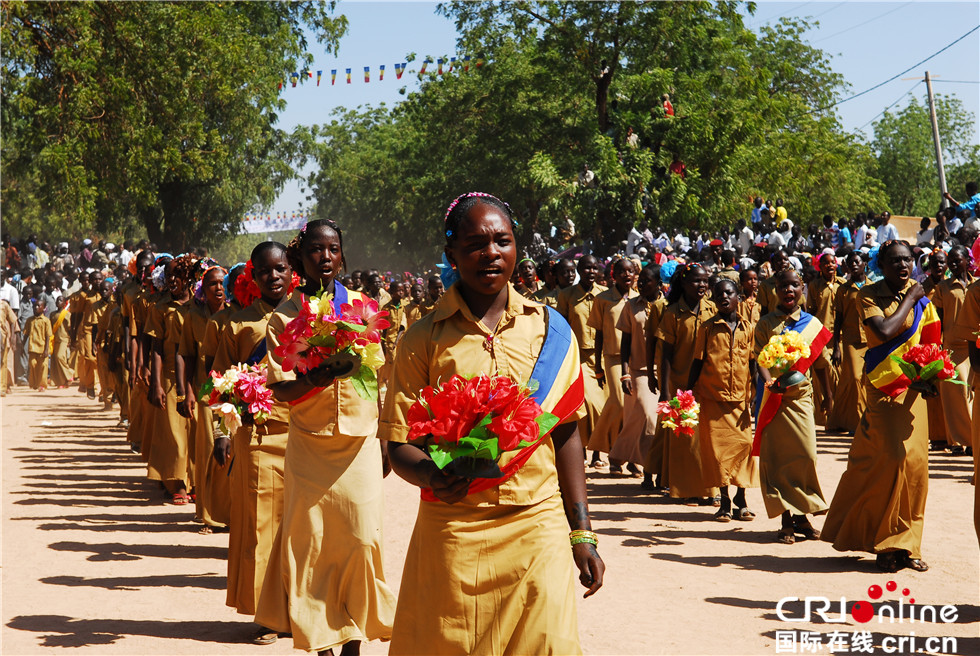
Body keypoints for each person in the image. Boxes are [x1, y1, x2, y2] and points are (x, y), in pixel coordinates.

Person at [380, 192, 604, 654]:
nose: (491, 253)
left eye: (502, 240)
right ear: (451, 254)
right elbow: (399, 443)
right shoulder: (422, 339)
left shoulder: (551, 331)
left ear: (517, 247)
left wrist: (581, 532)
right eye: (475, 243)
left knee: (548, 642)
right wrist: (430, 475)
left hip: (536, 521)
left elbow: (565, 434)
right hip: (454, 524)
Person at [255, 219, 396, 656]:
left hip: (360, 444)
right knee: (311, 544)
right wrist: (315, 377)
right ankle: (322, 644)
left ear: (343, 253)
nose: (326, 257)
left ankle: (353, 639)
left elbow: (383, 377)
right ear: (302, 257)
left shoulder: (364, 307)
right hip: (310, 444)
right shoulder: (283, 317)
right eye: (316, 249)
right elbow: (280, 389)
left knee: (360, 539)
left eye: (333, 248)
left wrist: (389, 437)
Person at [822, 241, 937, 572]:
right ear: (882, 265)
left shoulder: (923, 299)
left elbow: (930, 341)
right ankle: (883, 541)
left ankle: (908, 543)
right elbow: (884, 331)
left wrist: (932, 377)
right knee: (890, 461)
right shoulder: (869, 295)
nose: (903, 266)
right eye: (895, 261)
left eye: (908, 260)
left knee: (915, 467)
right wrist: (913, 298)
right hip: (884, 387)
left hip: (915, 391)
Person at [211, 243, 293, 643]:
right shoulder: (236, 323)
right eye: (265, 271)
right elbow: (220, 381)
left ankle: (303, 607)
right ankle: (269, 614)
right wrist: (222, 432)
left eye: (280, 269)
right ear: (253, 276)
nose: (273, 277)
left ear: (291, 271)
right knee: (262, 523)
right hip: (257, 432)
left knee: (302, 524)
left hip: (305, 432)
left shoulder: (307, 316)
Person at [753, 269, 832, 544]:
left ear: (802, 289)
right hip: (774, 396)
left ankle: (803, 514)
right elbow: (761, 360)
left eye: (795, 285)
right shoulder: (765, 324)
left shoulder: (812, 324)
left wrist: (828, 395)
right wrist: (769, 383)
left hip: (801, 397)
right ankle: (787, 519)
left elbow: (821, 363)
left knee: (806, 455)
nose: (789, 290)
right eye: (783, 285)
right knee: (777, 458)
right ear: (775, 289)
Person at [687, 279, 758, 521]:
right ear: (713, 299)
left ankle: (742, 498)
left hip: (740, 399)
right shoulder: (707, 328)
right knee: (718, 453)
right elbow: (697, 362)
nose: (724, 298)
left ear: (738, 296)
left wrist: (757, 391)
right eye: (719, 295)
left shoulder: (748, 328)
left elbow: (753, 362)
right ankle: (725, 501)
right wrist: (687, 392)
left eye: (729, 293)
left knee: (743, 448)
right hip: (712, 398)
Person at [655, 263, 716, 503]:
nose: (701, 285)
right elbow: (666, 356)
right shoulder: (672, 314)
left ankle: (710, 490)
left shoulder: (713, 309)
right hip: (681, 385)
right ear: (683, 283)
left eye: (704, 281)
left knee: (707, 440)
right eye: (696, 281)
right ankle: (687, 489)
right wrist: (665, 389)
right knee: (686, 439)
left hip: (708, 382)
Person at [177, 262, 230, 533]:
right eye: (212, 284)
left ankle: (229, 512)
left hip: (233, 395)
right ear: (203, 289)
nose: (218, 288)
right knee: (208, 451)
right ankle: (208, 515)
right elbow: (184, 353)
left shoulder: (236, 314)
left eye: (222, 283)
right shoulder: (193, 316)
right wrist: (185, 392)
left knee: (231, 453)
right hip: (205, 395)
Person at [145, 255, 195, 505]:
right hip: (169, 377)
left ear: (189, 277)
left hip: (195, 377)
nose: (173, 279)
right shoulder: (160, 308)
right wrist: (155, 383)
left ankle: (195, 481)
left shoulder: (199, 306)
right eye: (169, 275)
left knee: (194, 432)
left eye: (179, 274)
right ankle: (178, 484)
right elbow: (155, 347)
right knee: (174, 433)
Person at [613, 264, 664, 486]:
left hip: (663, 370)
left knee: (661, 423)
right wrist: (625, 373)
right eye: (639, 280)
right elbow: (625, 342)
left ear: (658, 284)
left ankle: (654, 474)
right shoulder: (631, 306)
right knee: (648, 415)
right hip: (639, 371)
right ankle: (648, 469)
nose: (640, 284)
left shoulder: (667, 306)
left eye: (646, 280)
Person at [557, 255, 608, 468]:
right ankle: (582, 451)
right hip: (578, 356)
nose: (591, 272)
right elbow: (561, 326)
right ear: (579, 270)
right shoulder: (567, 295)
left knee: (605, 406)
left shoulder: (604, 295)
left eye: (594, 268)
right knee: (587, 403)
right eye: (586, 268)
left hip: (603, 356)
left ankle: (597, 454)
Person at [588, 258, 637, 474]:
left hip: (637, 359)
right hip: (613, 358)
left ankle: (632, 457)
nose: (627, 275)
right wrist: (598, 365)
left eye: (631, 271)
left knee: (635, 410)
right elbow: (598, 334)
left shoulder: (639, 298)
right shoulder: (603, 300)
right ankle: (612, 453)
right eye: (622, 272)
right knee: (619, 403)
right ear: (613, 276)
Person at [930, 245, 975, 454]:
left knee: (972, 394)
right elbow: (936, 317)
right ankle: (958, 441)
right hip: (953, 346)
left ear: (968, 260)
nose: (954, 264)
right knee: (955, 390)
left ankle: (974, 440)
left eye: (959, 260)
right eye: (952, 261)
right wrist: (936, 345)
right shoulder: (943, 288)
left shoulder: (976, 285)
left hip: (975, 345)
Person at [830, 251, 868, 435]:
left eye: (857, 262)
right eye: (850, 262)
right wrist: (836, 346)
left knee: (865, 381)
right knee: (854, 378)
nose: (854, 265)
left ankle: (841, 419)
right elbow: (838, 319)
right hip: (851, 341)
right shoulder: (843, 290)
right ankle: (860, 422)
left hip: (871, 340)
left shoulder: (873, 287)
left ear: (864, 264)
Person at [24, 300, 52, 390]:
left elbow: (48, 336)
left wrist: (46, 349)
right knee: (33, 364)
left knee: (43, 366)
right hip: (32, 347)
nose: (36, 308)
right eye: (35, 306)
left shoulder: (46, 321)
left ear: (43, 308)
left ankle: (42, 385)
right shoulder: (29, 320)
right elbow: (26, 334)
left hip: (43, 347)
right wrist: (22, 345)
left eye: (39, 306)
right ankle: (34, 383)